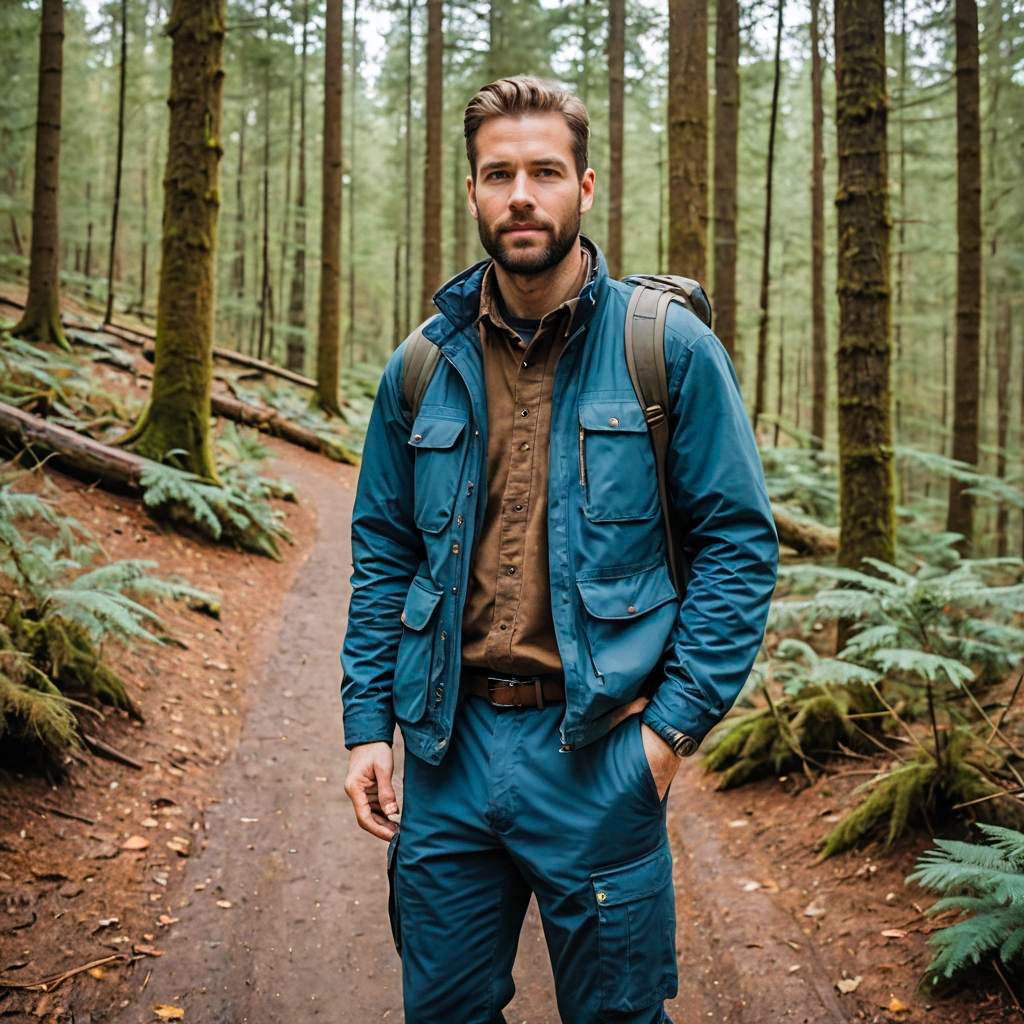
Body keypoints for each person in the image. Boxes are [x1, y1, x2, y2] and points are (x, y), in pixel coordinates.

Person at [340, 75, 779, 1024]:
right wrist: (368, 724)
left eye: (545, 171)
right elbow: (382, 552)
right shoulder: (421, 366)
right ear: (472, 193)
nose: (521, 195)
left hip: (600, 752)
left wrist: (666, 739)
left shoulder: (667, 349)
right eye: (499, 174)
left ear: (586, 186)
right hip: (446, 752)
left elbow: (738, 548)